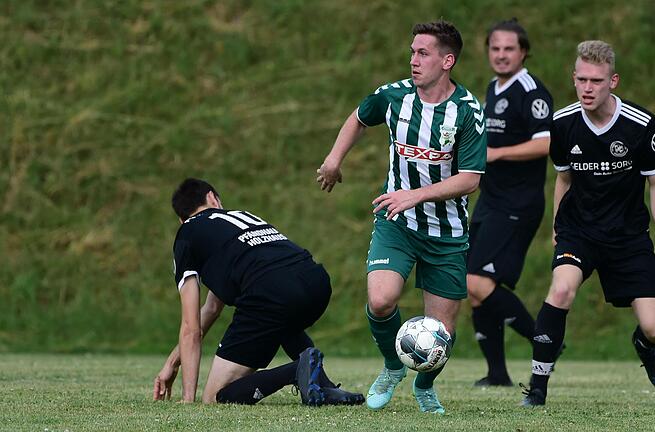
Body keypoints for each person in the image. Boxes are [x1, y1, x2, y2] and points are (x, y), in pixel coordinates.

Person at [316, 21, 486, 414]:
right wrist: (333, 160)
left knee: (441, 332)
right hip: (397, 223)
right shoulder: (394, 96)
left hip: (447, 232)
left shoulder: (467, 111)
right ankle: (392, 367)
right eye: (412, 51)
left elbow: (471, 179)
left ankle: (425, 386)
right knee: (381, 300)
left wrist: (417, 195)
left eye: (423, 53)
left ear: (447, 61)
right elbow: (359, 116)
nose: (413, 60)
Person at [522, 41, 655, 406]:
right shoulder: (562, 124)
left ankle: (645, 347)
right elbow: (563, 180)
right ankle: (537, 388)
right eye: (581, 79)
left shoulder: (640, 124)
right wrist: (556, 228)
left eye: (595, 80)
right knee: (561, 289)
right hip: (578, 231)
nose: (587, 88)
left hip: (628, 236)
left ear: (613, 81)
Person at [153, 178, 364, 406]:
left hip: (270, 292)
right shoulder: (240, 218)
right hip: (315, 281)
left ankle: (295, 371)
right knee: (282, 320)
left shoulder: (187, 233)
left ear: (182, 219)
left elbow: (190, 327)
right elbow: (212, 308)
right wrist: (172, 363)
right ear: (213, 198)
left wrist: (187, 399)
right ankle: (325, 387)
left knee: (215, 397)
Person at [467, 19, 555, 388]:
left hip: (518, 203)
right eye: (495, 48)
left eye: (509, 49)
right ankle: (497, 374)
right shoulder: (493, 86)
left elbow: (547, 142)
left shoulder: (531, 91)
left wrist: (498, 153)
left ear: (523, 52)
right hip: (491, 200)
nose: (501, 55)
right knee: (473, 288)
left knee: (474, 280)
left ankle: (545, 339)